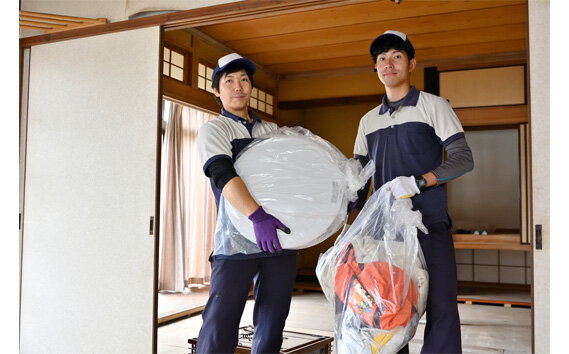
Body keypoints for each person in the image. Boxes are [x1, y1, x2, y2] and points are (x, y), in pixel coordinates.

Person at [348, 30, 474, 353]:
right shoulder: (366, 121)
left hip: (430, 225)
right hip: (386, 234)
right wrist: (349, 221)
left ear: (411, 63)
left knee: (442, 307)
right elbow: (359, 181)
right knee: (388, 309)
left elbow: (463, 159)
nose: (388, 64)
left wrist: (420, 181)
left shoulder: (433, 107)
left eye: (396, 56)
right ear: (376, 69)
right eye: (381, 59)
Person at [195, 53, 297, 353]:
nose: (237, 86)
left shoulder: (272, 132)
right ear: (217, 90)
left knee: (272, 320)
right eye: (229, 81)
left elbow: (294, 178)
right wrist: (256, 215)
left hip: (277, 237)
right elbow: (221, 173)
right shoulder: (215, 130)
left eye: (243, 79)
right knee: (220, 323)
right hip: (236, 239)